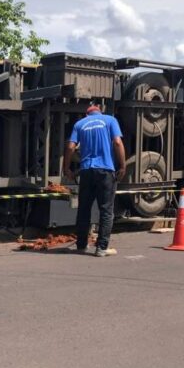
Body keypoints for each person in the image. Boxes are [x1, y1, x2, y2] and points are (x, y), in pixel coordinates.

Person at [63, 104, 126, 257]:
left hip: (86, 171)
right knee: (106, 210)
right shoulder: (110, 120)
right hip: (105, 170)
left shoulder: (80, 124)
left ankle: (81, 245)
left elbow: (71, 147)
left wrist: (66, 168)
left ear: (87, 115)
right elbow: (117, 142)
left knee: (84, 209)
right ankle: (101, 248)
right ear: (100, 112)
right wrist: (123, 166)